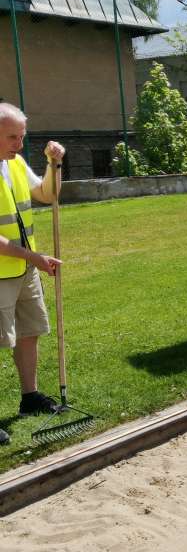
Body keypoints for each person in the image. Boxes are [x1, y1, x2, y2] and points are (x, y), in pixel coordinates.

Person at [0, 102, 65, 446]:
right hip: (2, 272)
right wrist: (35, 257)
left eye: (22, 136)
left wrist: (54, 164)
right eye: (12, 137)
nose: (19, 144)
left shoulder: (16, 164)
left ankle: (30, 397)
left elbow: (47, 193)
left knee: (29, 332)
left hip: (24, 269)